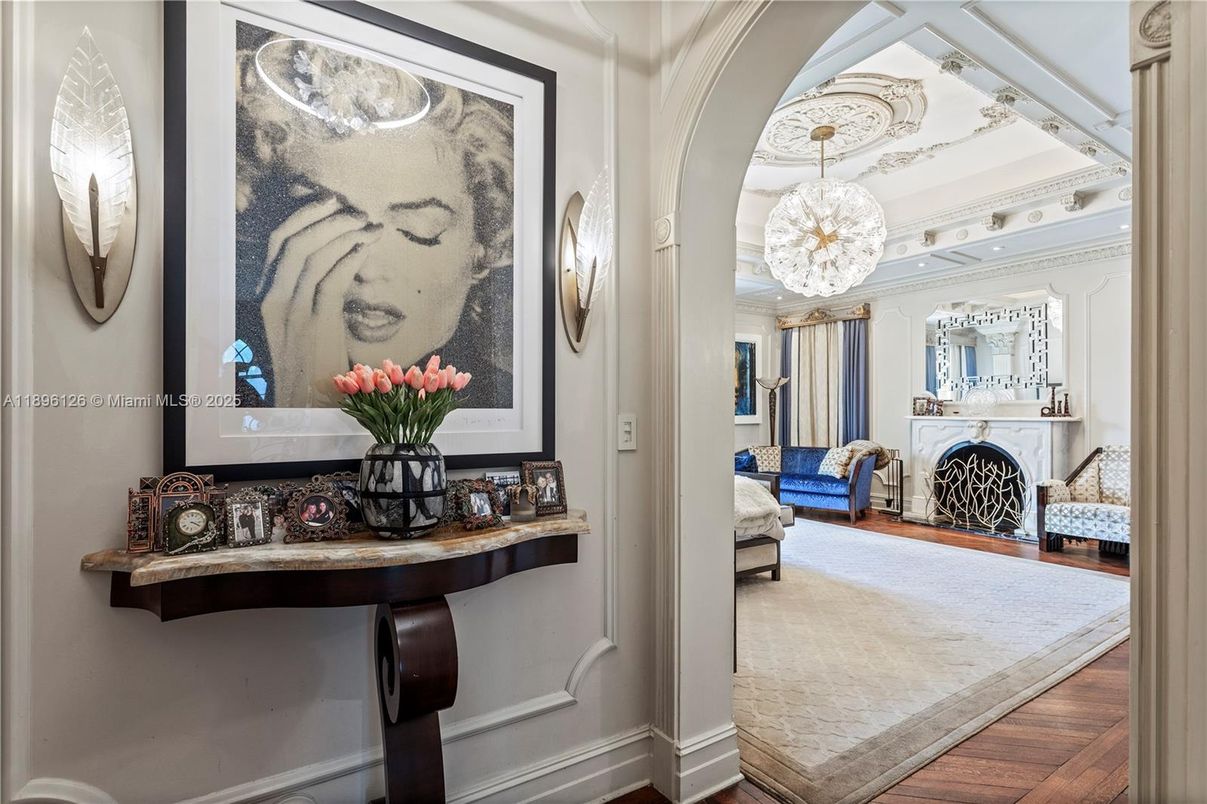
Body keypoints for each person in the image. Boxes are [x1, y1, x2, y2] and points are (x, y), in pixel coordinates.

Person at [234, 22, 515, 409]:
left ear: (480, 250)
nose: (366, 265)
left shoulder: (504, 406)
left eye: (417, 230)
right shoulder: (220, 387)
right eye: (326, 219)